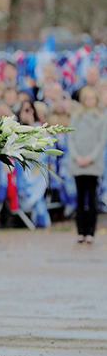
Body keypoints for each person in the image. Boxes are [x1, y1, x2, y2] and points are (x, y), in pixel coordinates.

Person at [68, 86, 107, 243]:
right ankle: (80, 230)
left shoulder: (101, 118)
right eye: (87, 98)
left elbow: (101, 141)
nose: (90, 101)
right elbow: (71, 138)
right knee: (79, 198)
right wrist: (77, 156)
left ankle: (90, 231)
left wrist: (90, 158)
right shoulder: (76, 117)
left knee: (91, 198)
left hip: (93, 164)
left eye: (93, 98)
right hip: (78, 163)